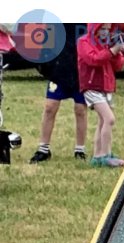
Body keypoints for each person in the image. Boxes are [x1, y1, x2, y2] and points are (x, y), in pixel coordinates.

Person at [31, 22, 88, 163]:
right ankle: (43, 149)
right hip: (58, 70)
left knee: (80, 109)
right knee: (50, 107)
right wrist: (46, 66)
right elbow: (46, 44)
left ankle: (80, 149)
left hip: (80, 71)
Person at [76, 21, 124, 168]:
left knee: (102, 121)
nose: (106, 31)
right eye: (102, 28)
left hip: (106, 86)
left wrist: (117, 53)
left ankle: (98, 156)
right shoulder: (84, 42)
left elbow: (118, 66)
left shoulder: (107, 43)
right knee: (109, 119)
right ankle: (105, 155)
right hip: (92, 86)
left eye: (108, 28)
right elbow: (93, 59)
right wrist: (111, 51)